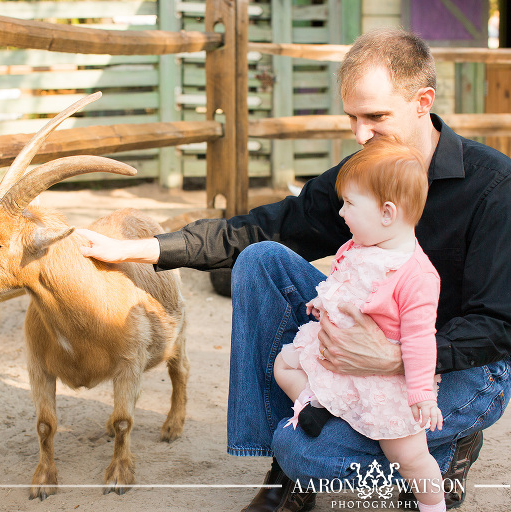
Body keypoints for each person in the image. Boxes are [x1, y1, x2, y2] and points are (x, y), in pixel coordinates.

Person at [78, 28, 511, 511]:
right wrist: (141, 249)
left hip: (461, 366)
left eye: (375, 117)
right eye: (352, 118)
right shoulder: (363, 173)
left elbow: (499, 325)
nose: (360, 134)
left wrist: (396, 358)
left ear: (422, 101)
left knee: (316, 453)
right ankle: (284, 476)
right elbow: (265, 229)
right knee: (261, 262)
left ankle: (443, 454)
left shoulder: (494, 185)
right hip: (366, 350)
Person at [273, 137, 445, 512]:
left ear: (387, 212)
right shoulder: (357, 245)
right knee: (283, 364)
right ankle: (316, 402)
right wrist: (324, 300)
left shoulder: (415, 275)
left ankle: (433, 504)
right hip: (339, 356)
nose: (342, 213)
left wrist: (421, 394)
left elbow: (419, 340)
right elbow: (342, 280)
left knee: (407, 455)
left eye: (349, 204)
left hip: (383, 378)